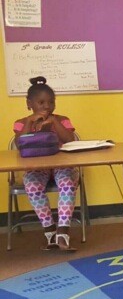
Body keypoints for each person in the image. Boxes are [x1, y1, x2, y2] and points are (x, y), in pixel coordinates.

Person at [13, 76, 79, 252]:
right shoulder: (21, 123)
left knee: (67, 183)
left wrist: (54, 122)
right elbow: (20, 144)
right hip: (37, 168)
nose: (47, 106)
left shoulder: (62, 119)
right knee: (32, 184)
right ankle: (50, 231)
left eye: (51, 102)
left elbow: (69, 140)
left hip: (61, 165)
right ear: (29, 104)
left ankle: (63, 232)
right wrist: (30, 122)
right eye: (41, 102)